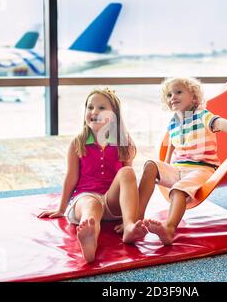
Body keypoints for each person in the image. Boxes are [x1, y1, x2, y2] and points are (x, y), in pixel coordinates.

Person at [137, 77, 227, 245]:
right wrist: (163, 167)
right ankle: (136, 220)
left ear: (194, 97)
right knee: (150, 165)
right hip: (178, 169)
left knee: (178, 190)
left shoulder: (202, 116)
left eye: (179, 92)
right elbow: (171, 144)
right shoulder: (173, 123)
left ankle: (169, 229)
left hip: (202, 168)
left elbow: (221, 123)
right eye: (169, 94)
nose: (173, 97)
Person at [38, 88, 147, 263]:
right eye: (90, 107)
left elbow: (128, 183)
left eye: (101, 108)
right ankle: (90, 241)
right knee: (90, 208)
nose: (94, 112)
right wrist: (61, 208)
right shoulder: (78, 142)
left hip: (113, 202)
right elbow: (71, 178)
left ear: (114, 115)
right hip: (86, 197)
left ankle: (128, 228)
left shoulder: (124, 141)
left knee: (127, 172)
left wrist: (133, 216)